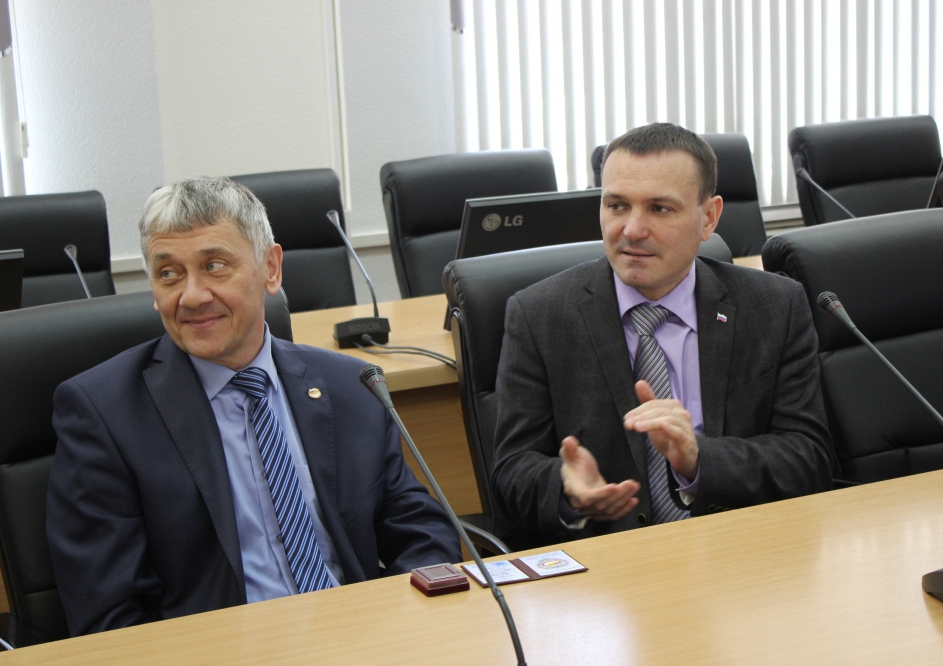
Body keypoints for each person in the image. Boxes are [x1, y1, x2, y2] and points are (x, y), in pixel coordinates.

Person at [47, 177, 460, 636]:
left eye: (215, 266)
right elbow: (108, 615)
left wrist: (404, 628)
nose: (192, 296)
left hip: (358, 636)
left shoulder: (349, 386)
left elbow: (418, 527)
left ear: (271, 269)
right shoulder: (104, 414)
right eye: (169, 274)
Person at [491, 123, 833, 540]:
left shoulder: (774, 306)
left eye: (660, 209)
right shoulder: (539, 314)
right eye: (617, 205)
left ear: (708, 218)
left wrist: (699, 460)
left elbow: (808, 457)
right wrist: (567, 489)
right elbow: (511, 472)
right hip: (609, 561)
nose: (632, 229)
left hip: (739, 549)